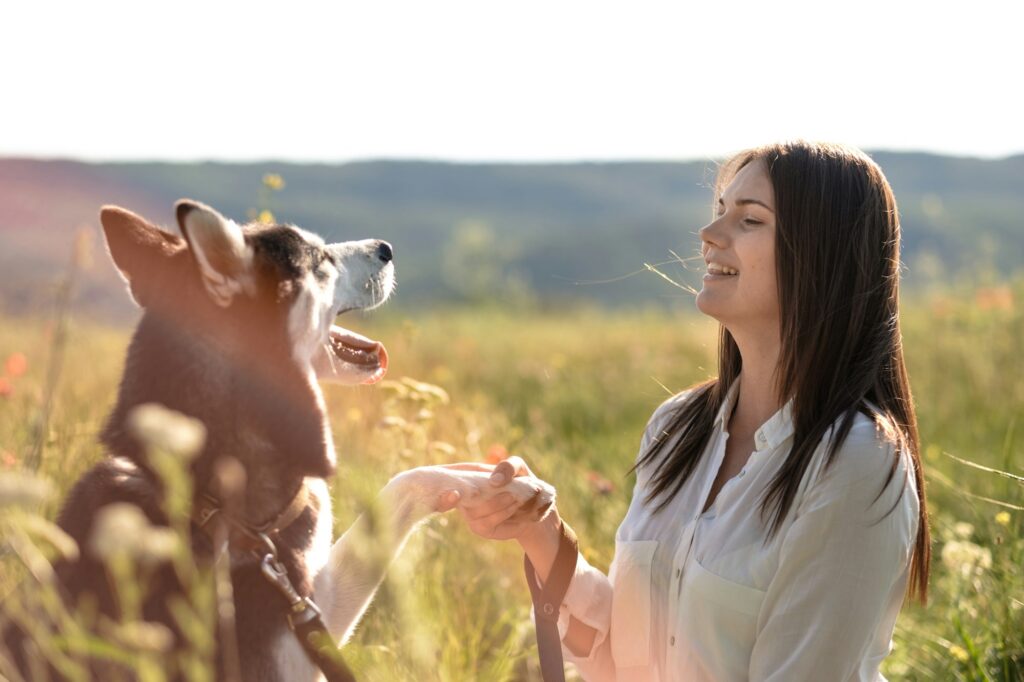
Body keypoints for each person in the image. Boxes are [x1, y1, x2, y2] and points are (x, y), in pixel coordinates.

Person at [442, 141, 931, 681]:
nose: (710, 235)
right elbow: (628, 661)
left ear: (823, 253)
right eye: (720, 211)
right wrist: (538, 532)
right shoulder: (677, 428)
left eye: (749, 220)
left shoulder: (855, 463)